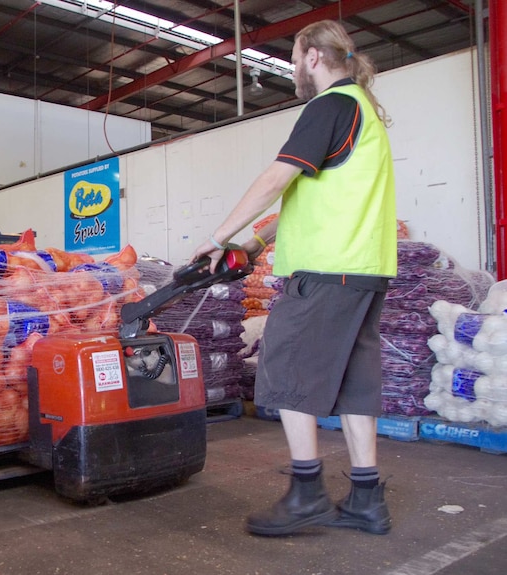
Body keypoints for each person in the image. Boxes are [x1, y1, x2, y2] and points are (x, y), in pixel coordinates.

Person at [190, 19, 397, 536]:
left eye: (293, 59)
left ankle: (306, 493)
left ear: (311, 57)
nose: (292, 71)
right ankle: (367, 498)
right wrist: (254, 242)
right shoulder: (364, 111)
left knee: (281, 366)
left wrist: (217, 237)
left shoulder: (330, 104)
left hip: (328, 270)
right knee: (353, 383)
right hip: (364, 270)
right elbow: (307, 192)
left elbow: (277, 177)